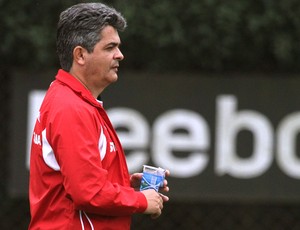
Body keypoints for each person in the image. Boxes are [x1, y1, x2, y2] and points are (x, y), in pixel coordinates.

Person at [28, 3, 169, 230]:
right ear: (81, 55)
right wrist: (141, 200)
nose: (120, 55)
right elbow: (87, 192)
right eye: (110, 47)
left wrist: (123, 185)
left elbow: (79, 181)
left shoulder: (73, 100)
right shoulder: (71, 108)